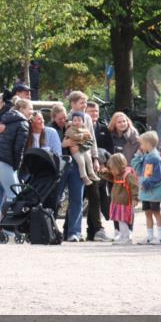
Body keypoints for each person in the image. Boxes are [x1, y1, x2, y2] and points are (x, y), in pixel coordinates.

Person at [0, 98, 32, 224]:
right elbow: (19, 148)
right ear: (21, 109)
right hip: (3, 160)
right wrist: (16, 166)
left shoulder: (5, 118)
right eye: (30, 108)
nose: (32, 111)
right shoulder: (23, 123)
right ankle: (10, 227)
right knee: (14, 194)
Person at [61, 91, 99, 242]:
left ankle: (75, 232)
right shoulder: (66, 117)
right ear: (73, 104)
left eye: (85, 102)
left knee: (77, 199)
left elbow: (92, 139)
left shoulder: (87, 118)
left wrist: (95, 158)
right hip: (65, 161)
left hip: (81, 158)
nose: (85, 105)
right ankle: (50, 227)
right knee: (58, 197)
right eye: (82, 102)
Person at [132, 131, 161, 244]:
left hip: (153, 192)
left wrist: (145, 184)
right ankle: (150, 236)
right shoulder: (147, 156)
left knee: (156, 213)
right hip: (147, 192)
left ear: (148, 144)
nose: (140, 146)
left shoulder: (155, 158)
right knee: (148, 213)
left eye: (142, 144)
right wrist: (138, 156)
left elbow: (158, 176)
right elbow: (137, 168)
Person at [99, 153, 138, 245]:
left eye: (112, 168)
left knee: (123, 220)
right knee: (119, 220)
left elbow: (134, 186)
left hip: (125, 203)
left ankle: (127, 236)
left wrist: (135, 198)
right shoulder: (116, 174)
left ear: (119, 165)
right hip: (117, 202)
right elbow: (109, 177)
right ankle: (122, 235)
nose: (111, 170)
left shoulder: (127, 175)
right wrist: (103, 172)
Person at [65, 112, 100, 186]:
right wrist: (83, 135)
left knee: (89, 160)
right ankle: (84, 176)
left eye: (79, 120)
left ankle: (91, 173)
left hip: (83, 148)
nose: (77, 122)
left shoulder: (84, 128)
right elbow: (74, 136)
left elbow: (90, 137)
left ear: (83, 122)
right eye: (75, 120)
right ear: (72, 121)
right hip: (75, 150)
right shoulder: (70, 128)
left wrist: (85, 136)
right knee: (81, 162)